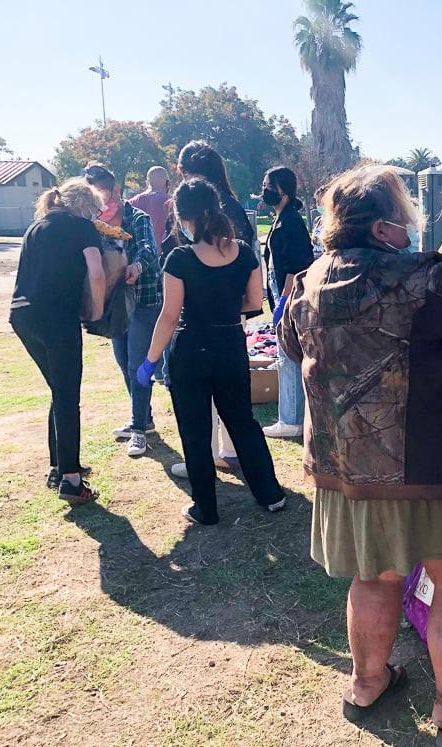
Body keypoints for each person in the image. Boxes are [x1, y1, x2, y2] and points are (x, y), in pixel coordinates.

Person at [278, 165, 442, 743]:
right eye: (403, 218)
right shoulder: (423, 280)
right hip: (430, 466)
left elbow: (288, 341)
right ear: (384, 227)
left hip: (349, 469)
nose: (410, 228)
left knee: (371, 579)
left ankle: (367, 682)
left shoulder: (307, 281)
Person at [136, 178, 286, 525]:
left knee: (195, 429)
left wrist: (149, 360)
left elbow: (169, 316)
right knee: (243, 422)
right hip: (231, 344)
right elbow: (253, 302)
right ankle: (271, 494)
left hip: (191, 349)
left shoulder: (180, 258)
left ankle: (206, 507)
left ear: (183, 217)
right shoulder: (245, 253)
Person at [10, 178, 106, 504]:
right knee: (68, 396)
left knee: (59, 390)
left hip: (22, 315)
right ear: (82, 204)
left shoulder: (37, 227)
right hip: (57, 318)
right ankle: (71, 479)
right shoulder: (81, 227)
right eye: (95, 209)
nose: (96, 216)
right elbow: (96, 272)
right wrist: (98, 311)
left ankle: (59, 465)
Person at [167, 141, 258, 476]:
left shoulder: (202, 217)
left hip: (201, 328)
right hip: (230, 325)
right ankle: (228, 455)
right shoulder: (231, 207)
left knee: (202, 404)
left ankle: (208, 460)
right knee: (234, 404)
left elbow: (172, 310)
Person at [82, 163, 162, 457]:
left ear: (115, 189)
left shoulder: (136, 217)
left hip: (143, 298)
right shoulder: (92, 223)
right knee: (121, 359)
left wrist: (136, 267)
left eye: (102, 193)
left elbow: (150, 251)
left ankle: (138, 429)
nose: (100, 201)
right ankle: (144, 416)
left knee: (136, 363)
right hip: (114, 302)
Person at [259, 166, 314, 439]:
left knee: (288, 357)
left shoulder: (291, 221)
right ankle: (294, 414)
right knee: (286, 356)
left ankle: (291, 418)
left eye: (268, 185)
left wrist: (283, 301)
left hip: (289, 298)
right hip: (280, 295)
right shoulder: (280, 218)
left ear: (282, 189)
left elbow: (295, 266)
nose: (264, 191)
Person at [128, 166, 171, 256]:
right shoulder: (172, 203)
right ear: (167, 182)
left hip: (138, 259)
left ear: (148, 182)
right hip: (164, 256)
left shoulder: (132, 203)